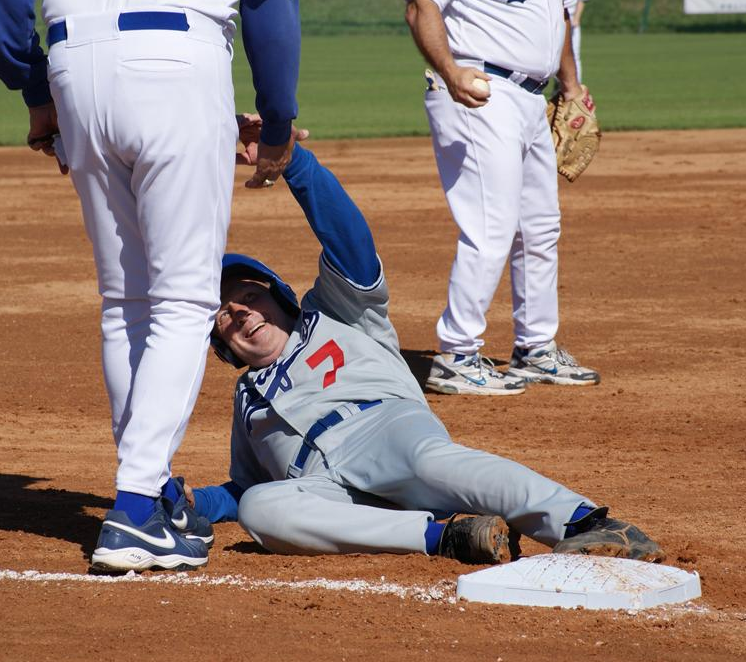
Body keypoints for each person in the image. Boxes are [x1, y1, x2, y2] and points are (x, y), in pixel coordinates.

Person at [188, 141, 663, 564]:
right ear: (223, 345)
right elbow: (250, 486)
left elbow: (350, 242)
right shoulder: (246, 399)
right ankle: (447, 537)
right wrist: (199, 502)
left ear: (279, 297)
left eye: (250, 297)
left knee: (426, 462)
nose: (241, 313)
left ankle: (583, 522)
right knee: (261, 509)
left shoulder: (335, 311)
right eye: (225, 315)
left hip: (384, 429)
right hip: (330, 491)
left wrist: (295, 163)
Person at [0, 0, 300, 572]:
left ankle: (151, 494)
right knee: (184, 301)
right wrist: (276, 120)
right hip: (176, 61)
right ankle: (134, 506)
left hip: (75, 67)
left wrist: (35, 88)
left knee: (128, 300)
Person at [405, 0, 601, 396]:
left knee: (539, 227)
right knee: (490, 224)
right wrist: (450, 71)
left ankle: (535, 347)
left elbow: (558, 19)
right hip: (478, 88)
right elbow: (419, 7)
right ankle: (457, 355)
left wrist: (571, 86)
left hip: (530, 97)